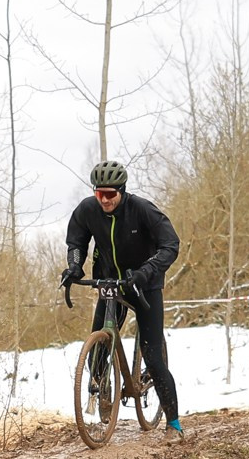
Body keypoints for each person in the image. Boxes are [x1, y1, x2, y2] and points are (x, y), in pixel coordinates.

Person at [61, 160, 183, 433]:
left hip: (144, 284)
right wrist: (74, 267)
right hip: (109, 282)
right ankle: (106, 396)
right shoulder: (87, 210)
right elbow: (76, 241)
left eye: (110, 194)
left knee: (152, 356)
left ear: (122, 191)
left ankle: (174, 423)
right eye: (99, 193)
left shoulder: (141, 209)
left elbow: (170, 244)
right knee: (97, 351)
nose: (104, 200)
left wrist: (146, 271)